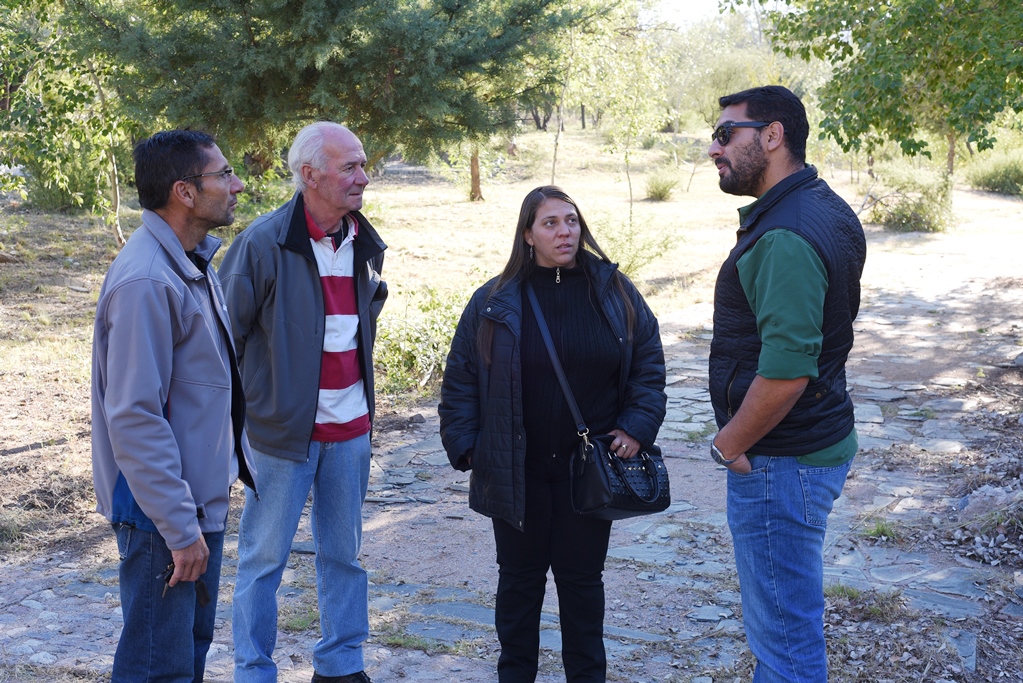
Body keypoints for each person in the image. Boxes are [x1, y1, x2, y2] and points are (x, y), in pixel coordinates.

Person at [439, 186, 666, 683]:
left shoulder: (614, 291)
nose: (565, 232)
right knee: (518, 589)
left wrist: (636, 426)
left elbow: (648, 364)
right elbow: (461, 379)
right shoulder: (494, 301)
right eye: (550, 223)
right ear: (527, 235)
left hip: (587, 474)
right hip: (516, 472)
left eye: (571, 220)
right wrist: (470, 447)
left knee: (582, 587)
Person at [706, 85, 867, 682]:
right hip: (805, 446)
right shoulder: (820, 204)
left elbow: (787, 372)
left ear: (772, 136)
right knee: (789, 625)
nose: (714, 149)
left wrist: (729, 445)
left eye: (726, 134)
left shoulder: (784, 234)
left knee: (785, 644)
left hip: (781, 459)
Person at [220, 121, 387, 683]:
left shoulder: (362, 237)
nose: (364, 177)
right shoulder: (262, 243)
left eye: (363, 165)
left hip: (352, 429)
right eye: (351, 167)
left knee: (345, 557)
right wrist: (255, 407)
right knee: (263, 560)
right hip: (280, 436)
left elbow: (362, 311)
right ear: (309, 174)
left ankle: (341, 666)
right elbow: (224, 339)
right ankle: (253, 671)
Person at [91, 129, 256, 682]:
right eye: (224, 175)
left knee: (181, 660)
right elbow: (135, 417)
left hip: (188, 502)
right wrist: (180, 529)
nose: (237, 185)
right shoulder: (147, 279)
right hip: (161, 512)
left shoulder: (189, 262)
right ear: (185, 192)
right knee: (158, 667)